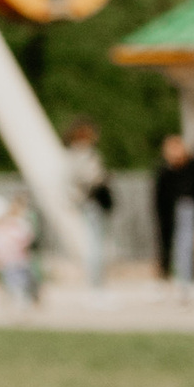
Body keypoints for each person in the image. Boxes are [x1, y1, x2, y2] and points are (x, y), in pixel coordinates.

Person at [61, 116, 113, 289]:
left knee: (96, 245)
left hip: (88, 202)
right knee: (95, 246)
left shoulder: (74, 154)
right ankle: (96, 286)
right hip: (91, 202)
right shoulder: (83, 155)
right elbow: (86, 178)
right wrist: (100, 178)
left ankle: (97, 285)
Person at [155, 130, 194, 294]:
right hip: (170, 213)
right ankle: (182, 280)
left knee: (188, 245)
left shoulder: (192, 167)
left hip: (189, 209)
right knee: (179, 246)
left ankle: (189, 280)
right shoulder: (165, 171)